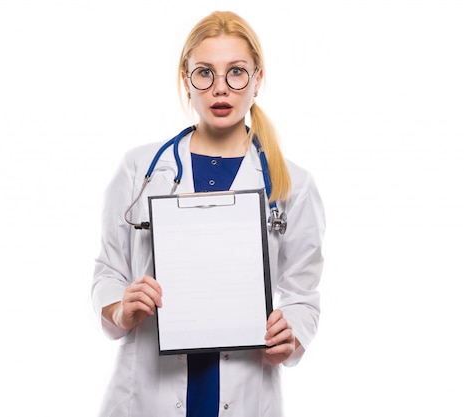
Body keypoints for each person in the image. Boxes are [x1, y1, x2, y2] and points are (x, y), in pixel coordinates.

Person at [91, 10, 325, 417]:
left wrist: (291, 335)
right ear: (187, 79)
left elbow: (303, 296)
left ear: (258, 78)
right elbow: (109, 270)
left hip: (247, 390)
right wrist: (120, 308)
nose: (221, 89)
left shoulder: (293, 185)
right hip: (147, 395)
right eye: (205, 73)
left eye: (236, 72)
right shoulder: (140, 170)